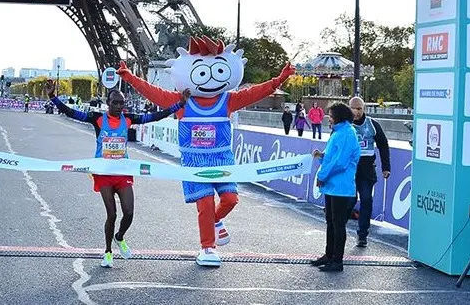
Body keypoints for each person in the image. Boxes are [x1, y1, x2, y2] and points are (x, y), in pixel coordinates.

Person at [117, 36, 294, 266]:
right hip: (195, 162)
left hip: (222, 160)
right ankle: (207, 248)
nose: (210, 77)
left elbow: (256, 92)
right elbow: (152, 92)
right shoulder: (181, 102)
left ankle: (215, 221)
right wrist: (129, 77)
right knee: (206, 203)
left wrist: (280, 79)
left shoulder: (228, 101)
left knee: (230, 199)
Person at [47, 78, 189, 268]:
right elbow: (71, 112)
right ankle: (107, 252)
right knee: (112, 214)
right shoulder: (97, 118)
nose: (119, 106)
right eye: (115, 103)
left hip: (122, 172)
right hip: (103, 173)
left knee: (129, 213)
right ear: (108, 103)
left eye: (122, 103)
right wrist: (53, 97)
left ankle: (119, 237)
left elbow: (155, 116)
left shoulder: (128, 119)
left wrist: (179, 104)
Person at [310, 102, 361, 272]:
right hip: (334, 185)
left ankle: (337, 260)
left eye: (331, 116)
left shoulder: (346, 133)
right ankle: (329, 255)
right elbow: (332, 157)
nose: (328, 119)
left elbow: (340, 162)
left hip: (341, 186)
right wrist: (322, 156)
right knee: (331, 222)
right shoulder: (339, 132)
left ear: (338, 117)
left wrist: (322, 175)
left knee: (338, 224)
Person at [349, 96, 391, 248]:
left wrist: (386, 167)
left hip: (367, 170)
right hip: (349, 170)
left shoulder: (372, 124)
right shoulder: (345, 125)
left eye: (359, 109)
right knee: (349, 201)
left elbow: (383, 145)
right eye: (353, 108)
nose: (356, 112)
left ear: (364, 109)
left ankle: (362, 235)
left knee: (366, 200)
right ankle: (338, 230)